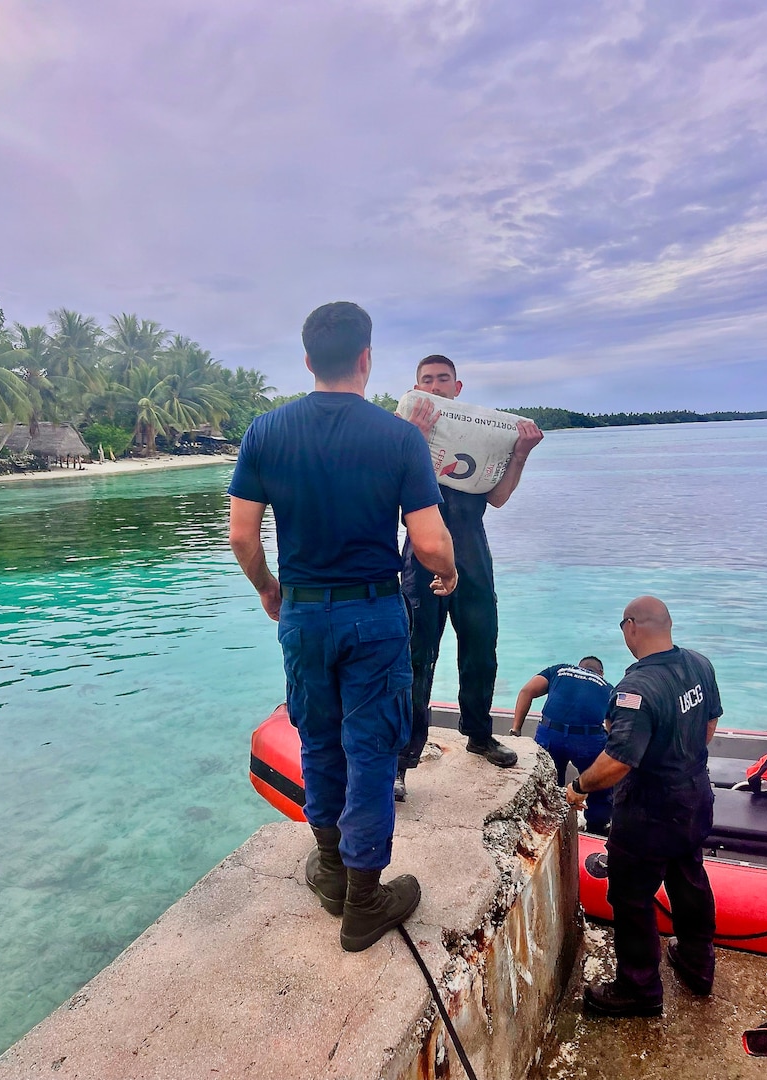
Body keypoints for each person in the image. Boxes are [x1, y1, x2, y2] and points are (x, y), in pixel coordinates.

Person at [228, 302, 457, 952]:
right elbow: (429, 542)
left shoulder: (266, 431)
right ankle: (363, 900)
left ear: (308, 360)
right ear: (366, 358)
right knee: (372, 750)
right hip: (373, 613)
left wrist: (269, 588)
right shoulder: (398, 438)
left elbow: (242, 536)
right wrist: (448, 572)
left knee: (319, 740)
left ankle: (329, 869)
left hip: (302, 613)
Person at [394, 355, 544, 802]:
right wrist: (414, 438)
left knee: (481, 649)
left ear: (457, 388)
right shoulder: (402, 433)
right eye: (426, 380)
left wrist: (521, 453)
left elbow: (497, 497)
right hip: (422, 551)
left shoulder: (480, 437)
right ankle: (401, 759)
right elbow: (389, 493)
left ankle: (478, 734)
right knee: (416, 657)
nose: (435, 387)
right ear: (416, 387)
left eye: (443, 380)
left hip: (473, 552)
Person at [565, 596, 722, 1017]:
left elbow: (618, 761)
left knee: (631, 896)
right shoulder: (699, 664)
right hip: (695, 794)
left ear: (631, 626)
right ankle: (698, 963)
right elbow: (709, 724)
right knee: (689, 877)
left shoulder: (636, 689)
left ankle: (639, 988)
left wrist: (579, 786)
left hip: (650, 811)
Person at [510, 656, 613, 835]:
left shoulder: (560, 670)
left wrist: (516, 730)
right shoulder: (608, 687)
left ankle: (548, 825)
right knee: (599, 784)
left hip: (551, 733)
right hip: (587, 739)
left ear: (579, 666)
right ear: (601, 673)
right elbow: (612, 726)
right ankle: (597, 828)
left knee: (548, 783)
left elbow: (527, 691)